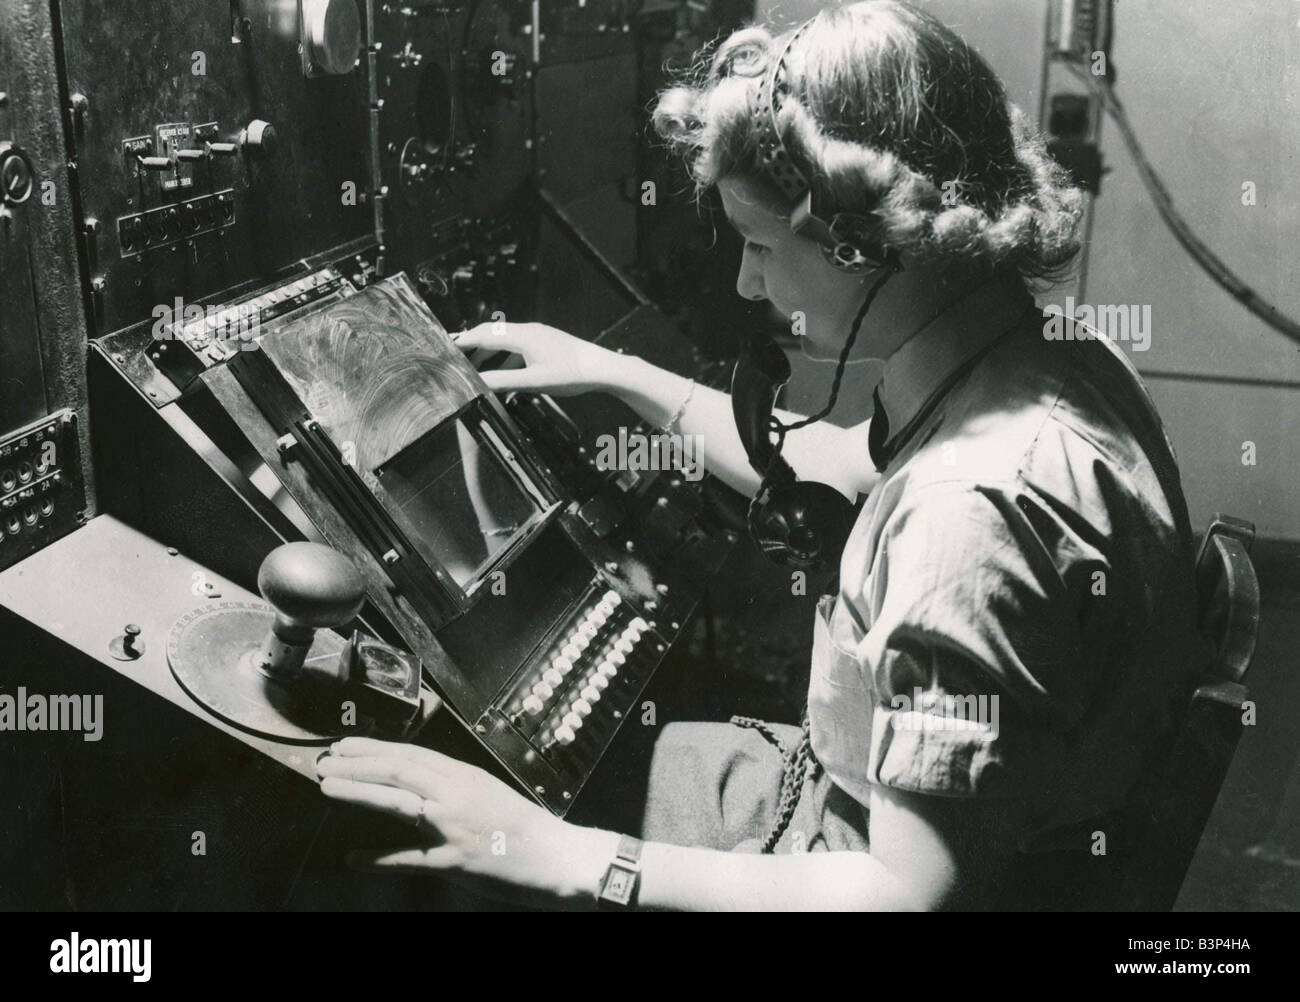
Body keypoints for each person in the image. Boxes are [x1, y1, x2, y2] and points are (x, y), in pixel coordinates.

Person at [315, 0, 1208, 910]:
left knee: (459, 852)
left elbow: (904, 899)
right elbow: (835, 474)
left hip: (870, 864)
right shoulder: (1049, 362)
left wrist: (577, 858)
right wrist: (615, 373)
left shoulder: (966, 517)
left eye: (759, 245)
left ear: (865, 244)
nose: (747, 283)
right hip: (958, 827)